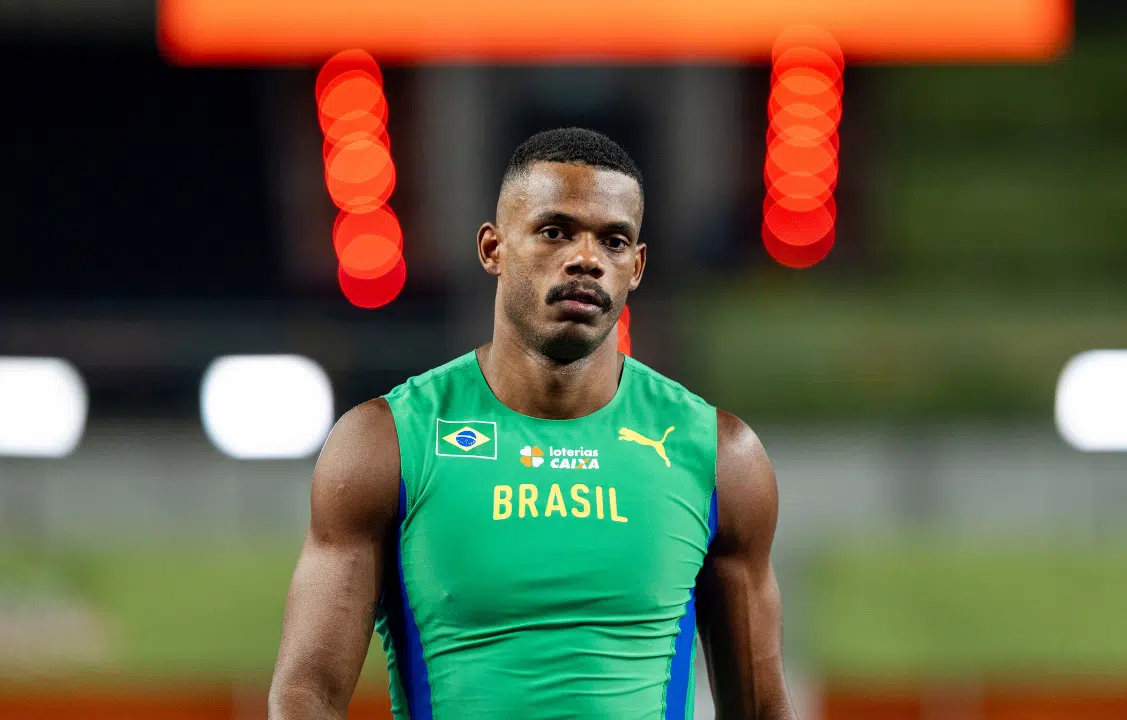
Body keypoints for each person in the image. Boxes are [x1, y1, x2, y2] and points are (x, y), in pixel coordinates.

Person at [268, 127, 795, 719]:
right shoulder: (386, 444)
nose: (587, 259)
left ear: (637, 267)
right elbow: (305, 694)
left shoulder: (719, 455)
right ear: (493, 248)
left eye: (614, 241)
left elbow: (761, 709)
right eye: (555, 231)